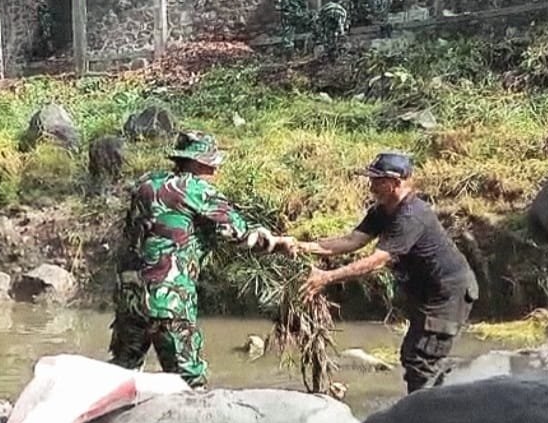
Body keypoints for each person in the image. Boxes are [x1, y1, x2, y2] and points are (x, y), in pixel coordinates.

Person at [109, 131, 290, 388]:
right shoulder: (195, 189)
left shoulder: (146, 185)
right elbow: (242, 234)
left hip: (130, 297)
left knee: (122, 375)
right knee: (189, 382)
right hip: (170, 299)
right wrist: (277, 242)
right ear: (196, 163)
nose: (214, 172)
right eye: (210, 164)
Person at [291, 152, 478, 393]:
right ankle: (431, 406)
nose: (371, 187)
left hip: (447, 294)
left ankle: (428, 420)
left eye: (377, 181)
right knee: (414, 356)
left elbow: (377, 261)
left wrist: (327, 277)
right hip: (425, 292)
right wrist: (300, 246)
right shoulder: (383, 210)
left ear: (395, 183)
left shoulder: (412, 216)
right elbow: (352, 241)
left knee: (421, 360)